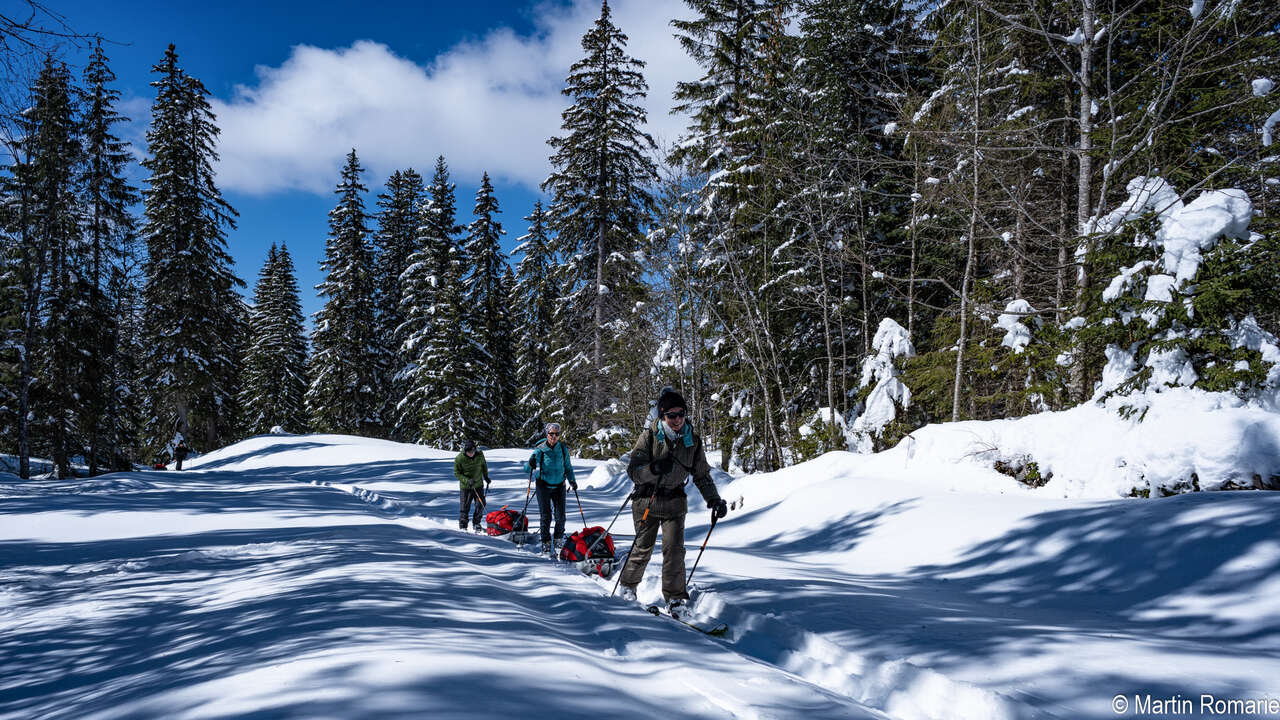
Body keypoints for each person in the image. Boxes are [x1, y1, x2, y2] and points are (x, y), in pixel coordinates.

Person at [618, 388, 728, 620]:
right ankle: (628, 586)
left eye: (681, 414)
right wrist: (652, 469)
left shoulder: (692, 441)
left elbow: (702, 475)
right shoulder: (649, 437)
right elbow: (633, 471)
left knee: (675, 551)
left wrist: (714, 500)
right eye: (671, 415)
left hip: (675, 503)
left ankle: (676, 598)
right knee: (643, 547)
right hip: (647, 500)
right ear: (662, 416)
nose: (677, 419)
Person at [522, 422, 577, 554]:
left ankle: (558, 541)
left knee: (561, 517)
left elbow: (568, 467)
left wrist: (572, 481)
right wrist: (531, 463)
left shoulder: (563, 449)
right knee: (546, 516)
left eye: (556, 434)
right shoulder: (540, 449)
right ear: (547, 434)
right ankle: (546, 543)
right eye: (551, 434)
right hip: (543, 486)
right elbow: (526, 469)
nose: (553, 436)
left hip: (559, 486)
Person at [455, 439, 490, 532]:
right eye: (469, 452)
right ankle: (463, 525)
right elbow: (457, 473)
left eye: (472, 451)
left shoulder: (480, 455)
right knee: (465, 507)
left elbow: (484, 466)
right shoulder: (459, 458)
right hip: (466, 487)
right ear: (465, 451)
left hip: (478, 484)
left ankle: (476, 523)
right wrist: (466, 480)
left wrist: (486, 476)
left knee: (481, 504)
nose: (471, 454)